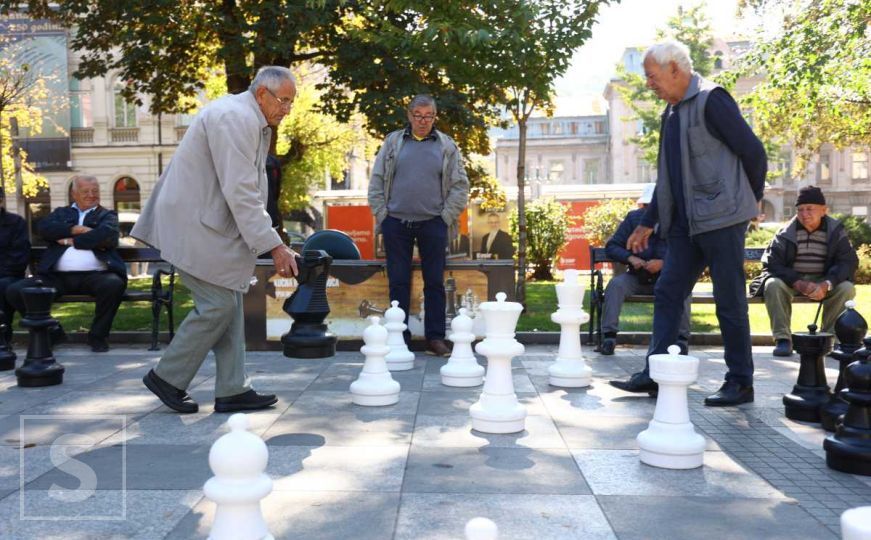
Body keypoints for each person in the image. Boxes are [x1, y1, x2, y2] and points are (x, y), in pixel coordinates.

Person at [133, 66, 299, 414]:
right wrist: (274, 244)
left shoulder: (247, 118)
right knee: (218, 305)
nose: (286, 109)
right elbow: (241, 191)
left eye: (290, 103)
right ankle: (167, 377)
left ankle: (232, 388)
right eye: (283, 101)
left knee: (230, 301)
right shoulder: (235, 118)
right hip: (194, 225)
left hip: (205, 223)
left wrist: (268, 237)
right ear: (261, 94)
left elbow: (245, 190)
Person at [610, 40, 767, 406]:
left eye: (652, 76)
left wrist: (749, 201)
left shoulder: (713, 100)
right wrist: (648, 222)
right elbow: (669, 178)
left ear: (675, 70)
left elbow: (754, 152)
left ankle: (740, 381)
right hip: (684, 225)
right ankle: (657, 372)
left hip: (722, 219)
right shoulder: (672, 112)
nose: (649, 84)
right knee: (668, 291)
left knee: (728, 300)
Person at [368, 94, 469, 357]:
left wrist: (445, 216)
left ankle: (435, 338)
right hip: (396, 224)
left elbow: (460, 185)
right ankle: (398, 337)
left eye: (429, 116)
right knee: (398, 282)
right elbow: (377, 180)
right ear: (409, 115)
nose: (423, 121)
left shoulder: (446, 146)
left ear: (435, 117)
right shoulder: (393, 142)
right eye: (418, 115)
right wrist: (382, 215)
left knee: (434, 282)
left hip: (433, 224)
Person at [6, 175, 127, 352]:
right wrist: (75, 229)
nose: (91, 195)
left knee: (114, 284)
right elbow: (44, 229)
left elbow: (106, 237)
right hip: (55, 276)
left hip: (96, 276)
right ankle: (51, 331)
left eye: (95, 191)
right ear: (74, 194)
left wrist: (68, 240)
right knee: (15, 291)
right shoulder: (61, 213)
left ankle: (98, 336)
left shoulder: (107, 215)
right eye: (86, 191)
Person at [752, 186, 857, 356]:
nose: (804, 214)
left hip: (824, 279)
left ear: (824, 210)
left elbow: (848, 261)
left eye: (810, 209)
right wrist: (798, 282)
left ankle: (830, 338)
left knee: (846, 288)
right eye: (800, 209)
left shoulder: (836, 230)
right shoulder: (785, 232)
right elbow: (772, 263)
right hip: (792, 280)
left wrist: (827, 284)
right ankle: (783, 339)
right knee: (773, 284)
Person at [599, 184, 690, 356]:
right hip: (637, 276)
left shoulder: (678, 221)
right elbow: (612, 246)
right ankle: (609, 337)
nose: (651, 211)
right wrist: (630, 258)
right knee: (616, 285)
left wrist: (664, 263)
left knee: (683, 289)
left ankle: (681, 340)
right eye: (647, 207)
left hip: (667, 278)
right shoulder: (633, 219)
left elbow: (687, 251)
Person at [0, 189, 30, 342]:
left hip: (8, 275)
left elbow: (18, 258)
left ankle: (3, 340)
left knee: (2, 285)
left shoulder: (15, 223)